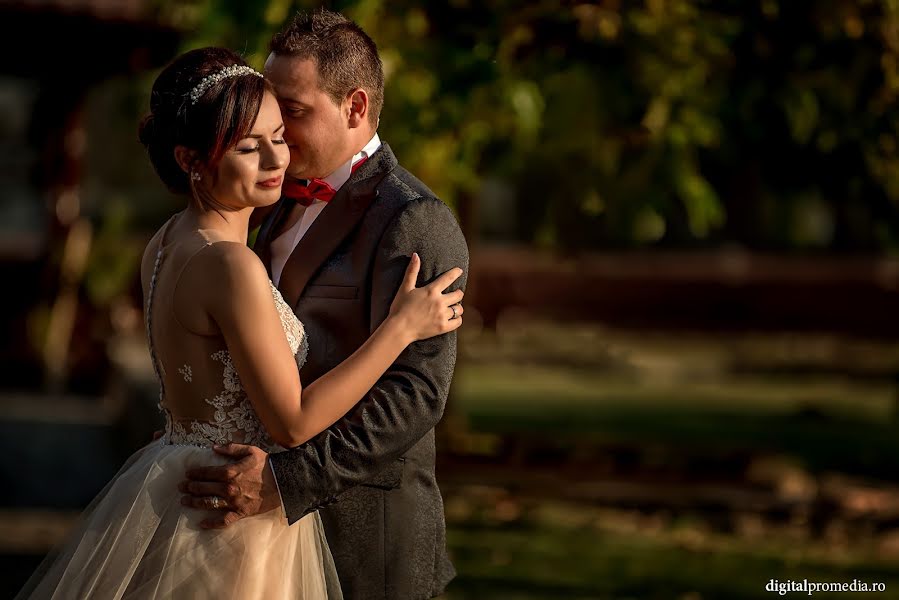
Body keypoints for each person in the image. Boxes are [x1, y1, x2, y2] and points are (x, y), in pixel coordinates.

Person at [16, 46, 464, 600]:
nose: (279, 159)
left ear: (356, 105)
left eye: (281, 131)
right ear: (191, 159)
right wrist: (399, 329)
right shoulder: (232, 260)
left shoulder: (164, 242)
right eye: (252, 147)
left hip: (187, 480)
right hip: (235, 514)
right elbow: (293, 422)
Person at [180, 9, 469, 600]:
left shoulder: (415, 219)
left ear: (355, 107)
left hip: (366, 539)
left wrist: (285, 484)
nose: (274, 126)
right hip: (258, 535)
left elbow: (414, 397)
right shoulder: (274, 198)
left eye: (292, 109)